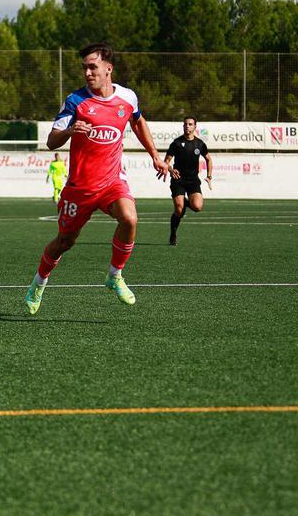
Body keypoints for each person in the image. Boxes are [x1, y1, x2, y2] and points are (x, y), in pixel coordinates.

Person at [23, 43, 168, 315]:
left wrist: (155, 156)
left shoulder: (127, 98)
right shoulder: (75, 101)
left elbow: (138, 122)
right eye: (84, 68)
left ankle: (114, 276)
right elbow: (51, 141)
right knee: (64, 242)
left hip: (113, 181)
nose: (88, 73)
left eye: (93, 67)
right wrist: (69, 132)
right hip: (80, 189)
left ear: (108, 68)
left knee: (130, 219)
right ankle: (39, 282)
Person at [164, 116, 213, 246]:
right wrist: (170, 170)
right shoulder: (176, 143)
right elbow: (166, 162)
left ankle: (185, 202)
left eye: (190, 124)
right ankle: (173, 233)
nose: (187, 126)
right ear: (183, 126)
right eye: (185, 124)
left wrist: (209, 176)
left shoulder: (200, 144)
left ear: (195, 127)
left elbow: (209, 159)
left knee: (197, 207)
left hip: (193, 180)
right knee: (179, 210)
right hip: (178, 179)